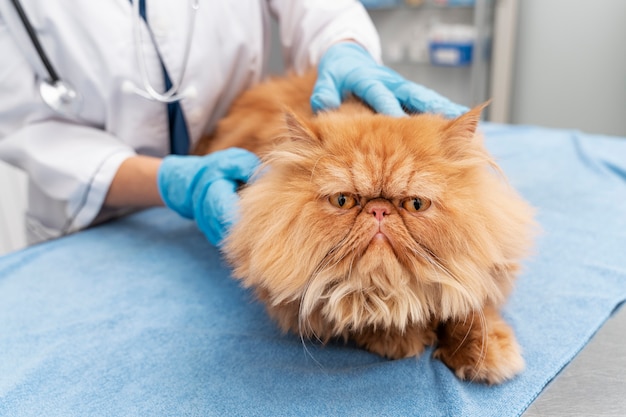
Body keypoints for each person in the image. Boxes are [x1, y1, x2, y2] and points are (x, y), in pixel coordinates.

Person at [0, 0, 467, 247]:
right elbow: (26, 124)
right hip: (95, 212)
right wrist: (171, 180)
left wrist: (343, 44)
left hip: (243, 163)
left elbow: (318, 5)